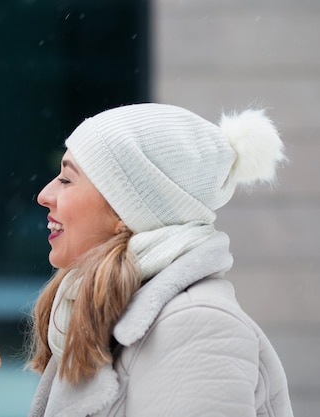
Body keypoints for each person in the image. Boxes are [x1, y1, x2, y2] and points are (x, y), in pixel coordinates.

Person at [27, 103, 294, 416]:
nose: (45, 194)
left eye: (67, 180)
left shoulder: (197, 326)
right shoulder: (98, 308)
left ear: (127, 208)